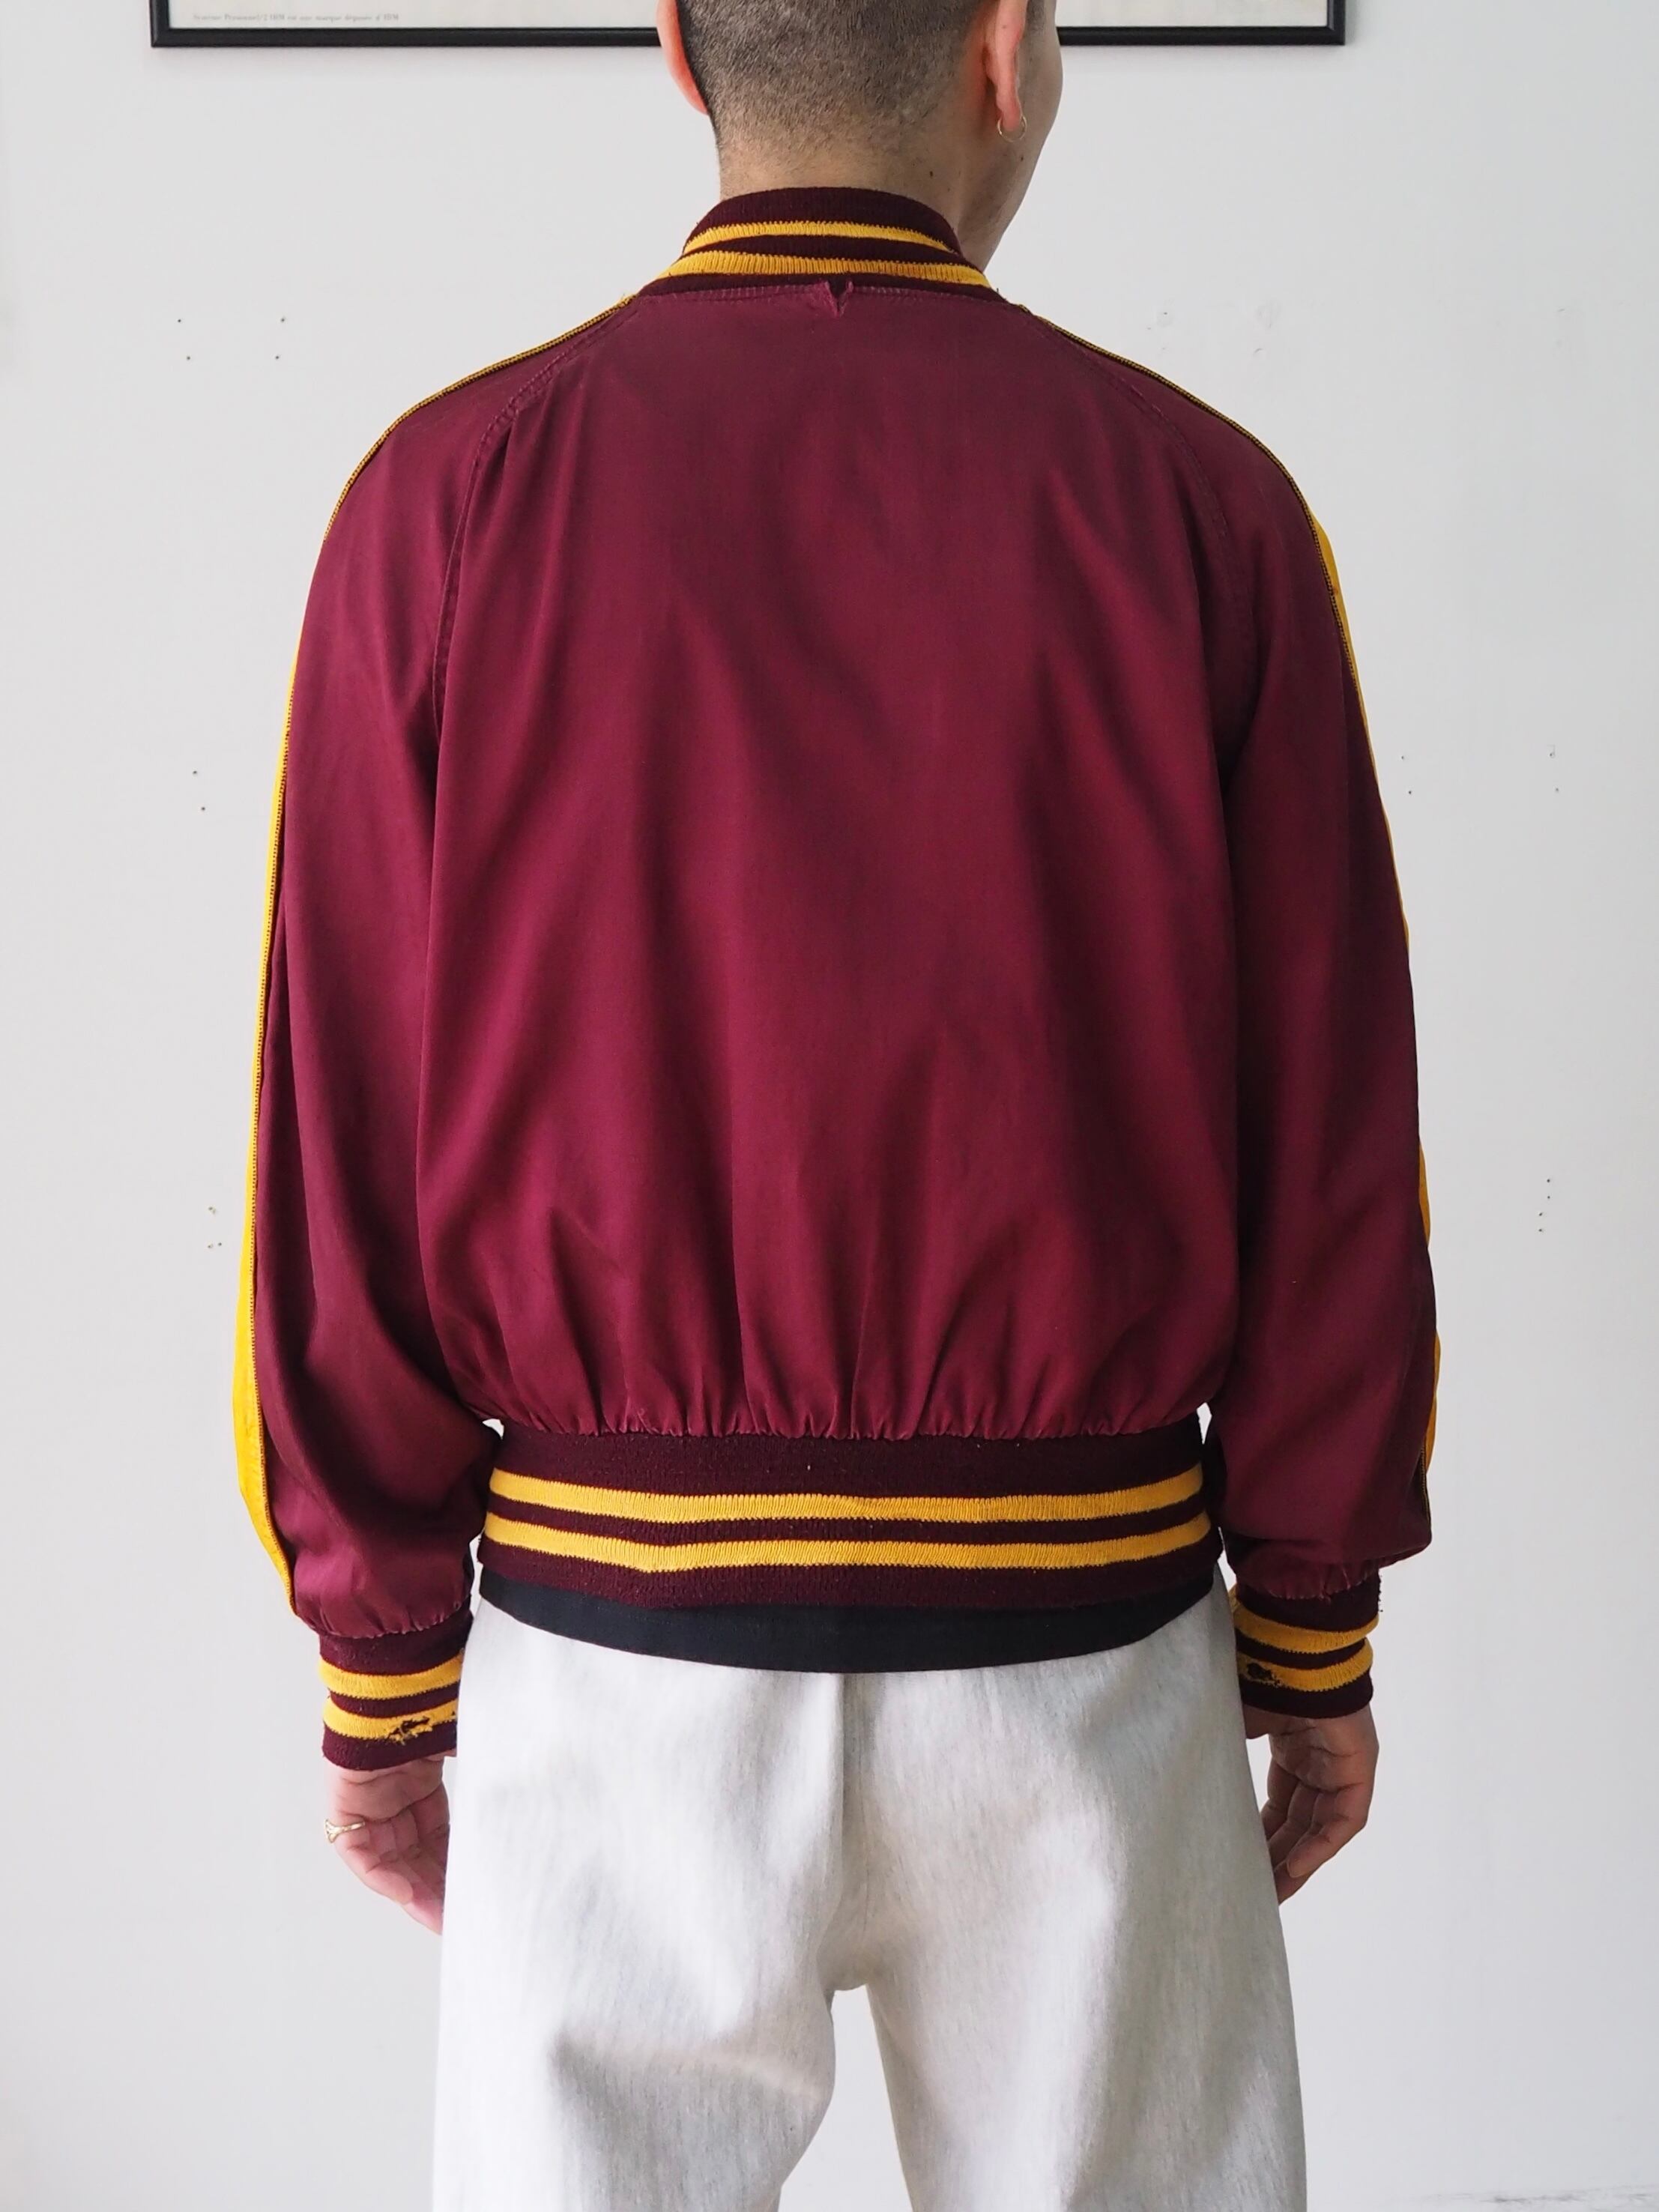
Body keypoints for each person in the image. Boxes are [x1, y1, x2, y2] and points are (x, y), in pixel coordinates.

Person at [234, 0, 1438, 2202]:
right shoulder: (1207, 505)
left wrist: (381, 1664)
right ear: (1007, 49)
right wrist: (1312, 1615)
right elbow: (1333, 1126)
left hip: (617, 1658)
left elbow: (341, 1130)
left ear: (678, 51)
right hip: (1082, 1649)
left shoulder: (444, 503)